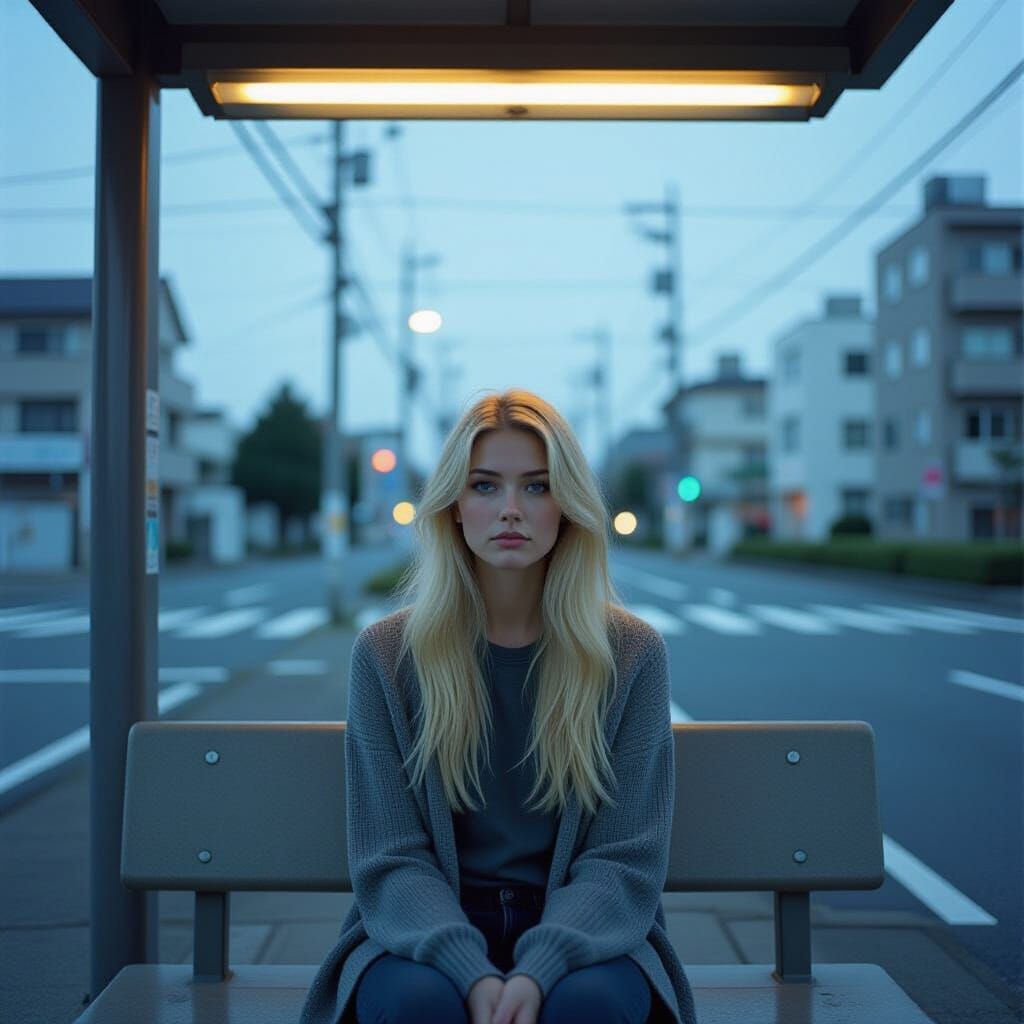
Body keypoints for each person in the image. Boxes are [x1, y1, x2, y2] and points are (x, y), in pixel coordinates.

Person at [299, 388, 697, 1024]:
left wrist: (540, 967)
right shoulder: (388, 655)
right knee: (419, 1005)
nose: (510, 510)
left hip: (586, 932)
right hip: (425, 929)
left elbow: (623, 861)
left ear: (567, 506)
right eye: (485, 487)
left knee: (585, 1007)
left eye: (537, 488)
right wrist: (468, 966)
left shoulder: (630, 654)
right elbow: (390, 857)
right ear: (453, 506)